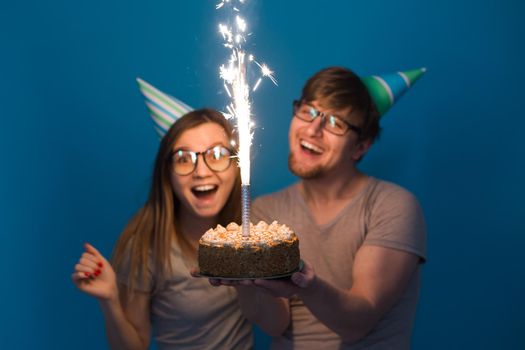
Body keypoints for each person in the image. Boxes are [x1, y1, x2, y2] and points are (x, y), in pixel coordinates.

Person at [213, 66, 427, 349]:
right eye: (309, 111)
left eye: (336, 123)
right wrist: (246, 280)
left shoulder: (392, 206)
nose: (313, 130)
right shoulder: (265, 212)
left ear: (360, 147)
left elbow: (356, 325)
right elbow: (274, 324)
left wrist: (305, 282)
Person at [72, 109, 253, 349]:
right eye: (183, 158)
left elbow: (276, 324)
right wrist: (111, 300)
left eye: (217, 154)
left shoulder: (252, 231)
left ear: (237, 164)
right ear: (166, 173)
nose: (201, 172)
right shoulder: (147, 244)